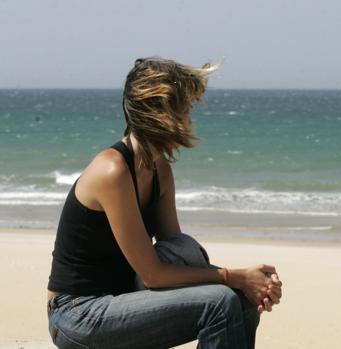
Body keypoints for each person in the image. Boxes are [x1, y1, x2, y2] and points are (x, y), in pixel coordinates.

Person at [47, 57, 283, 349]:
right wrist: (233, 276)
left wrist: (249, 283)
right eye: (185, 110)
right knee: (220, 302)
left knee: (239, 300)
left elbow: (177, 256)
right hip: (77, 314)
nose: (189, 120)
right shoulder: (113, 170)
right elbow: (154, 274)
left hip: (124, 299)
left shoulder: (160, 171)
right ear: (162, 113)